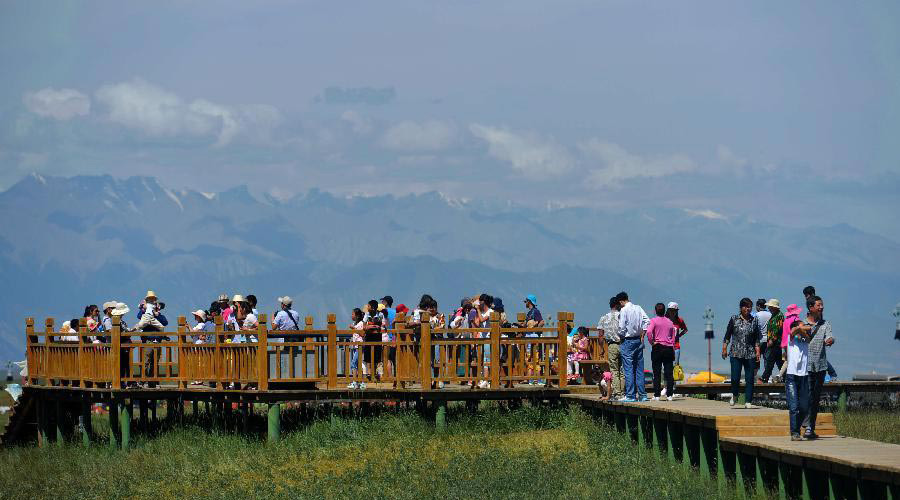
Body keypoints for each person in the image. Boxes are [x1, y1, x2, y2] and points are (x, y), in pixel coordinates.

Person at [797, 295, 834, 439]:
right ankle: (804, 425)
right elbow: (798, 340)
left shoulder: (826, 324)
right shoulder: (802, 324)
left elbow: (829, 337)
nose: (821, 307)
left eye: (822, 305)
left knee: (815, 398)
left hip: (820, 366)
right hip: (805, 366)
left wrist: (830, 340)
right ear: (811, 308)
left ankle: (810, 427)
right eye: (819, 305)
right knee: (806, 397)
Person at [722, 298, 762, 408]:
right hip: (735, 352)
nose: (748, 309)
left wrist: (758, 351)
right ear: (741, 308)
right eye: (745, 306)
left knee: (750, 378)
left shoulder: (755, 320)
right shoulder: (734, 319)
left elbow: (757, 338)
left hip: (750, 353)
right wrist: (724, 348)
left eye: (750, 306)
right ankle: (735, 394)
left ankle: (748, 401)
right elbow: (727, 334)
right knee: (735, 378)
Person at [785, 303, 812, 440]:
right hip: (791, 375)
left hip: (804, 375)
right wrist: (800, 327)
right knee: (794, 406)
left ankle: (799, 427)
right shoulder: (791, 339)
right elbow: (793, 331)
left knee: (804, 406)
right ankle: (794, 432)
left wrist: (802, 328)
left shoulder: (806, 340)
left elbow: (810, 330)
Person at [617, 291, 650, 402]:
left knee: (628, 369)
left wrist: (621, 337)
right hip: (638, 340)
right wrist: (643, 333)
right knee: (639, 369)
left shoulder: (624, 310)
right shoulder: (638, 308)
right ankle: (642, 394)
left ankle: (630, 395)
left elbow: (621, 328)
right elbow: (647, 321)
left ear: (621, 301)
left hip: (628, 340)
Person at [647, 303, 677, 401]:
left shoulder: (654, 321)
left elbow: (649, 332)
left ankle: (657, 395)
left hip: (658, 347)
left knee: (657, 372)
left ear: (655, 311)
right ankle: (669, 395)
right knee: (669, 372)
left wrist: (652, 342)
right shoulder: (669, 322)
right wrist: (671, 345)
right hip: (668, 347)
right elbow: (673, 336)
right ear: (665, 311)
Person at [597, 297, 623, 399]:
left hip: (612, 345)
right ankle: (624, 391)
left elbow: (600, 335)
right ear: (618, 305)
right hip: (623, 344)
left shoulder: (603, 318)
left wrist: (602, 348)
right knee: (623, 370)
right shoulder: (622, 316)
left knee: (614, 370)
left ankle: (617, 394)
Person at [759, 299, 784, 382]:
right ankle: (785, 376)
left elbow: (777, 328)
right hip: (774, 341)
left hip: (775, 342)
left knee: (770, 360)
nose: (768, 308)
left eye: (770, 306)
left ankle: (764, 377)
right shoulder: (774, 315)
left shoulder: (779, 316)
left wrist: (772, 340)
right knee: (778, 361)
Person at [754, 299, 772, 379]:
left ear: (758, 306)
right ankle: (766, 378)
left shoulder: (756, 315)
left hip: (758, 341)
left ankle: (752, 377)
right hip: (768, 341)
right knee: (767, 361)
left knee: (756, 360)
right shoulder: (770, 314)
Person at [347, 308, 365, 389]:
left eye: (353, 314)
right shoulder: (355, 323)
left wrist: (353, 328)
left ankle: (355, 382)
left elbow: (362, 334)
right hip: (355, 346)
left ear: (357, 316)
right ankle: (359, 382)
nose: (351, 315)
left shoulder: (361, 323)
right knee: (357, 364)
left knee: (354, 363)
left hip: (359, 346)